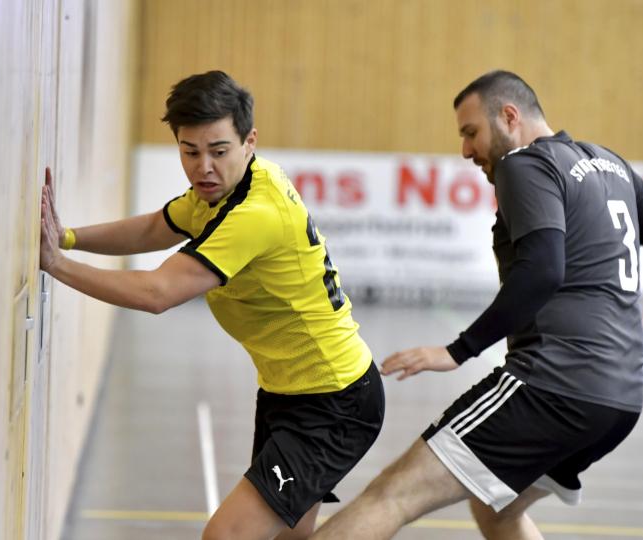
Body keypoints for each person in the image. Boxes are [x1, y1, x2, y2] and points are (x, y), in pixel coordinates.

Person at [310, 70, 643, 540]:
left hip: (554, 386)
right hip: (619, 399)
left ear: (509, 116)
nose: (466, 151)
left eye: (471, 133)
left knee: (393, 495)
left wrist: (457, 351)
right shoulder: (606, 163)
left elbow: (543, 270)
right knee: (497, 509)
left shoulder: (525, 163)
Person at [39, 71, 384, 540]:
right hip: (287, 392)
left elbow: (157, 294)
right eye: (190, 151)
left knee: (225, 536)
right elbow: (152, 229)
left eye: (218, 152)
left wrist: (56, 265)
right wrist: (68, 237)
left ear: (249, 141)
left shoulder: (255, 215)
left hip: (334, 400)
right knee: (292, 536)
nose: (203, 167)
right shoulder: (225, 190)